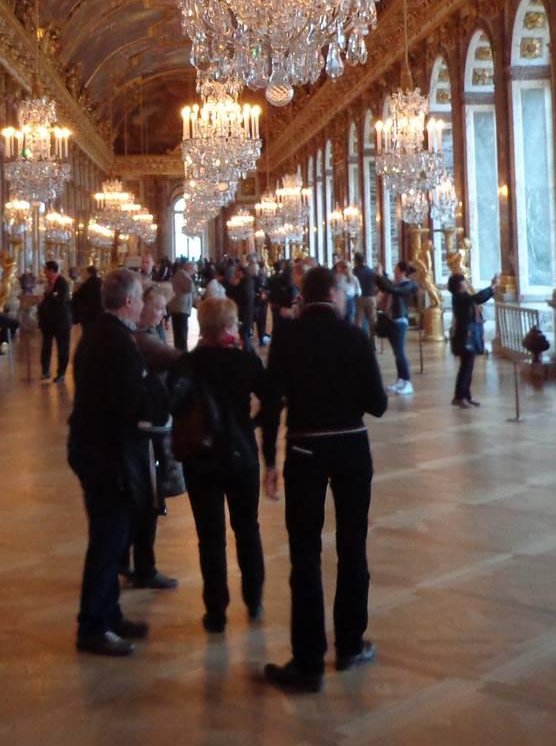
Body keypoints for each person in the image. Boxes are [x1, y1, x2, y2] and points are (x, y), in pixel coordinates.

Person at [260, 266, 389, 693]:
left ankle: (308, 662)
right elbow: (378, 404)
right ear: (335, 294)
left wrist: (268, 460)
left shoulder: (287, 336)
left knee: (305, 554)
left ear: (303, 294)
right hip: (352, 448)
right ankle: (350, 645)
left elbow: (271, 401)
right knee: (353, 547)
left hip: (304, 449)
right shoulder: (354, 336)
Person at [66, 269, 152, 657]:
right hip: (106, 452)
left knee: (112, 538)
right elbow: (129, 401)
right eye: (140, 298)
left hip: (92, 446)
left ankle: (110, 613)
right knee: (107, 541)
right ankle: (92, 627)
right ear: (129, 302)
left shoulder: (98, 333)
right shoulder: (116, 342)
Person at [173, 296, 265, 633]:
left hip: (201, 458)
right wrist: (252, 426)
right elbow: (272, 399)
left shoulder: (187, 363)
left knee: (209, 536)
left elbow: (174, 406)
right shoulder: (246, 361)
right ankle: (253, 598)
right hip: (241, 455)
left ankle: (216, 611)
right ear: (230, 325)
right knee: (247, 529)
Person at [126, 282, 180, 591]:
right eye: (157, 308)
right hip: (147, 430)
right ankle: (144, 566)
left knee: (145, 498)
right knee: (148, 499)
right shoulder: (142, 339)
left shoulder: (147, 334)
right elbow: (175, 360)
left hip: (150, 423)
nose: (161, 314)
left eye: (163, 308)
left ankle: (131, 562)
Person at [448, 274, 497, 408]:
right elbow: (478, 298)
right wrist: (492, 287)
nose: (466, 283)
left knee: (468, 368)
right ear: (459, 284)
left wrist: (491, 289)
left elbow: (476, 299)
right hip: (465, 337)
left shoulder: (461, 297)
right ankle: (460, 397)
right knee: (465, 368)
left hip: (467, 335)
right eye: (464, 281)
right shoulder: (460, 298)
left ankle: (465, 396)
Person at [376, 262, 419, 395]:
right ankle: (401, 380)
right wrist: (381, 276)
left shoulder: (408, 285)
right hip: (392, 319)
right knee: (397, 353)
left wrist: (380, 276)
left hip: (399, 320)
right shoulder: (396, 283)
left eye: (396, 268)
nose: (394, 270)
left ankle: (407, 382)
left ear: (402, 271)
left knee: (400, 353)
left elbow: (392, 290)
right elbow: (386, 287)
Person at [40, 260, 73, 382]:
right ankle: (45, 371)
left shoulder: (62, 283)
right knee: (46, 347)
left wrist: (49, 295)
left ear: (51, 270)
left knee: (62, 348)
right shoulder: (48, 284)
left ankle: (61, 374)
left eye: (46, 270)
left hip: (61, 322)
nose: (44, 272)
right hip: (48, 322)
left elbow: (61, 301)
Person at [167, 263, 195, 355]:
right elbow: (190, 287)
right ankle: (182, 354)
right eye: (193, 269)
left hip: (180, 308)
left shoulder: (182, 274)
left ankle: (180, 353)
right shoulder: (182, 274)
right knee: (181, 334)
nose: (194, 271)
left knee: (180, 333)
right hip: (180, 309)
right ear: (188, 267)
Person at [230, 263, 257, 352]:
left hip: (244, 312)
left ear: (241, 272)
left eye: (236, 271)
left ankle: (248, 353)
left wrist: (234, 286)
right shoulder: (248, 281)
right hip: (247, 311)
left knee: (244, 335)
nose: (235, 273)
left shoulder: (244, 282)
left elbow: (241, 296)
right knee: (244, 334)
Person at [72, 265, 103, 332]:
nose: (82, 274)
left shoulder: (86, 285)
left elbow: (78, 298)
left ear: (89, 273)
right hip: (100, 313)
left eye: (84, 273)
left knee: (89, 334)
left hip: (88, 315)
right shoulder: (101, 282)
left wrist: (75, 291)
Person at [355, 258, 379, 329]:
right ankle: (372, 339)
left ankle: (359, 338)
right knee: (372, 321)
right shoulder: (371, 271)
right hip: (371, 297)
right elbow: (377, 284)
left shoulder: (355, 271)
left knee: (359, 322)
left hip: (360, 298)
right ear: (365, 261)